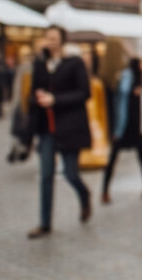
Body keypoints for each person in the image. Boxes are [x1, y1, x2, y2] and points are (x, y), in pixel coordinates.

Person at [27, 25, 93, 239]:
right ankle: (45, 223)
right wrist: (37, 98)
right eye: (48, 38)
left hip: (69, 127)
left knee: (70, 173)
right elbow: (32, 93)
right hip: (46, 128)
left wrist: (56, 100)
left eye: (55, 38)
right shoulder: (40, 64)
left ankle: (84, 194)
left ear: (62, 41)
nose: (51, 42)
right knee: (46, 176)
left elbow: (84, 93)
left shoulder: (74, 63)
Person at [101, 57, 142, 203]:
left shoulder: (141, 80)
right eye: (141, 63)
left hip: (135, 127)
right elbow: (120, 101)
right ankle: (105, 191)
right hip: (125, 127)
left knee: (141, 158)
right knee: (114, 159)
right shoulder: (127, 78)